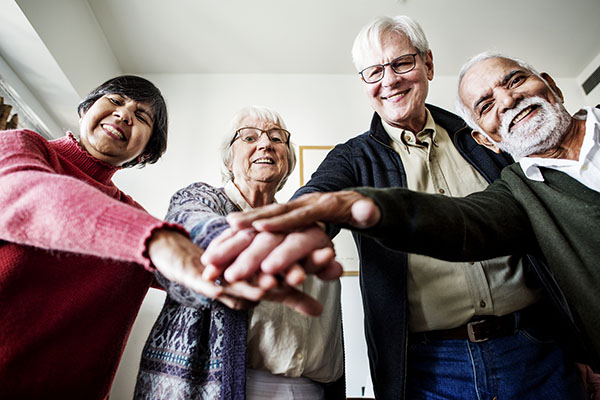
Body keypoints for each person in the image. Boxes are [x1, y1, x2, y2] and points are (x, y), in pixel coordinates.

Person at [201, 17, 586, 399]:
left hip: (536, 347)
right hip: (428, 366)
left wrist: (582, 346)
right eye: (373, 72)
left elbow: (552, 233)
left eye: (402, 63)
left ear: (428, 64)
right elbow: (319, 196)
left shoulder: (484, 135)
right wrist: (298, 227)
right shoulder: (352, 157)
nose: (390, 80)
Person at [0, 77, 325, 400]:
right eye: (114, 101)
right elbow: (31, 194)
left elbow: (185, 277)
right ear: (85, 109)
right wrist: (159, 242)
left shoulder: (132, 214)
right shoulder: (22, 146)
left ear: (145, 152)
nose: (125, 115)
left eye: (142, 117)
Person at [134, 106, 344, 400]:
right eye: (248, 137)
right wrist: (227, 245)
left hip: (311, 390)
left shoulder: (303, 223)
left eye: (277, 138)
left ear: (287, 160)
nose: (265, 143)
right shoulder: (201, 198)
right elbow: (190, 223)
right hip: (220, 388)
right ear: (229, 159)